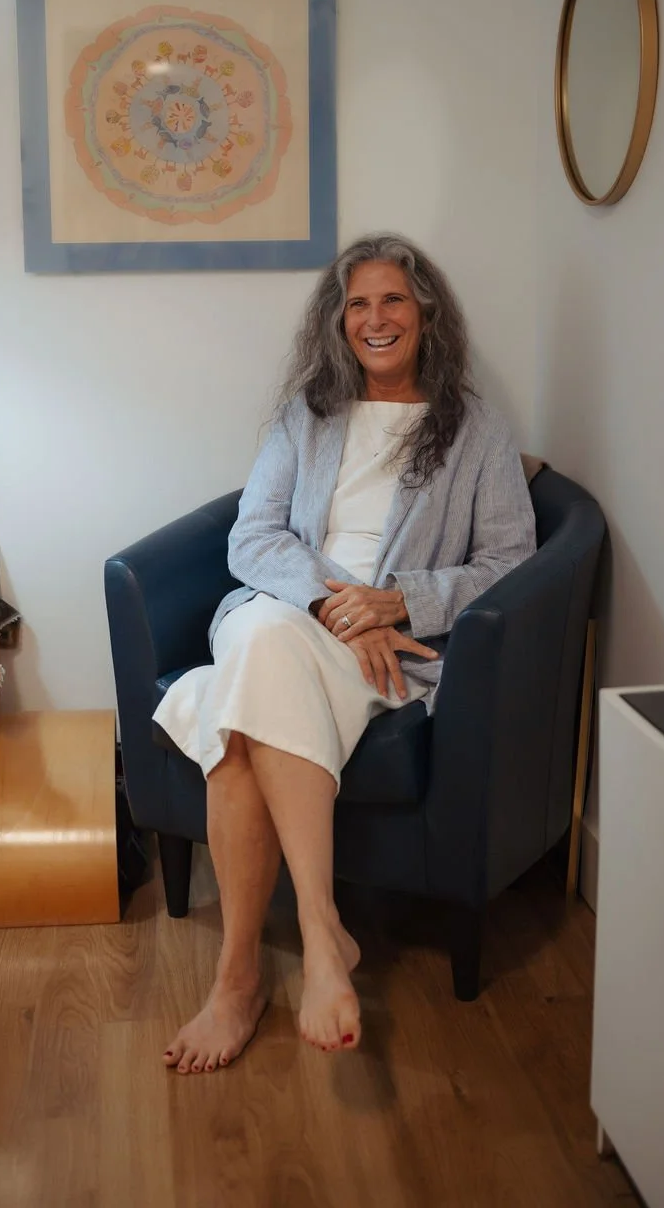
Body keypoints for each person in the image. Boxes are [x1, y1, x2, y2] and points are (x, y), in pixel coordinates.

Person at [153, 233, 536, 1075]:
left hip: (393, 649)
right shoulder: (307, 416)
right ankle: (322, 935)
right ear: (337, 322)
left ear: (426, 313)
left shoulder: (474, 431)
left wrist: (396, 602)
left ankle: (238, 982)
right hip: (298, 612)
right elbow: (253, 538)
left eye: (393, 299)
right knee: (260, 635)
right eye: (357, 303)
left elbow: (511, 562)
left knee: (242, 700)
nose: (375, 318)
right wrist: (334, 601)